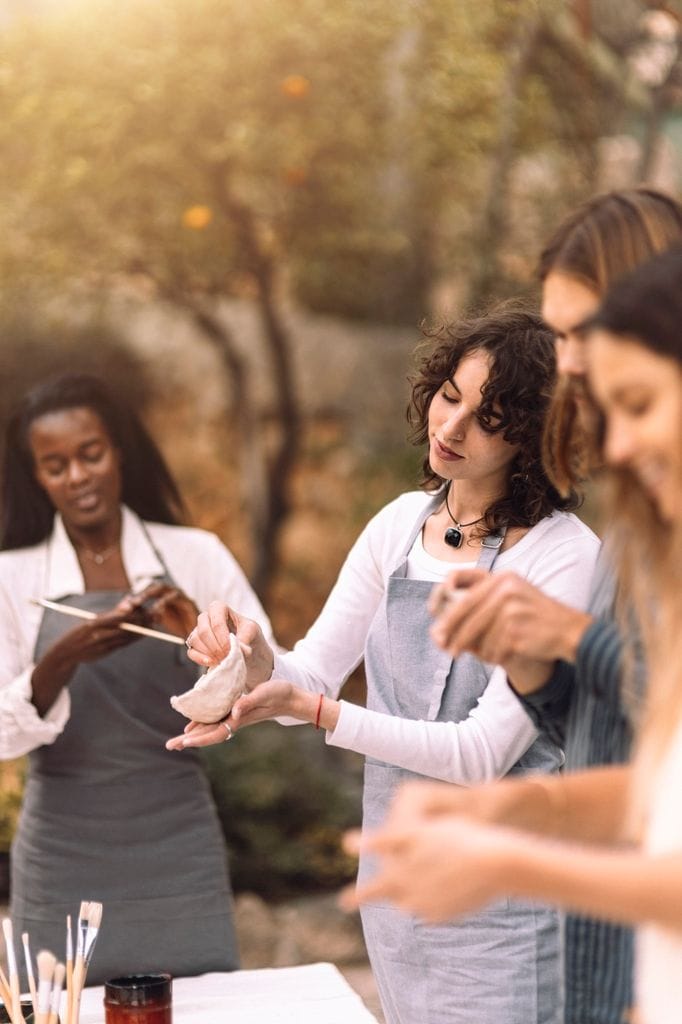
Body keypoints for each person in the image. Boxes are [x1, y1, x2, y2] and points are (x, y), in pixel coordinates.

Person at [169, 306, 600, 1024]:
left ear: (535, 439)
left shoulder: (562, 555)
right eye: (451, 396)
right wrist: (248, 655)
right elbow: (309, 672)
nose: (453, 428)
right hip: (399, 895)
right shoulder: (400, 524)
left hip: (511, 911)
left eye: (490, 419)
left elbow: (479, 754)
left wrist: (319, 715)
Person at [345, 244, 682, 1024]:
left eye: (635, 402)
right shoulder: (656, 556)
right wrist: (502, 814)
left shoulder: (571, 553)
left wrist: (510, 854)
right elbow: (657, 792)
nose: (617, 445)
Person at [0, 372, 274, 985]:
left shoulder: (196, 555)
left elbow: (271, 687)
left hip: (176, 846)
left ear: (120, 449)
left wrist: (204, 646)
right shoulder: (11, 578)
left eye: (90, 454)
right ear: (36, 477)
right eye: (54, 465)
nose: (76, 476)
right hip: (60, 851)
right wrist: (60, 661)